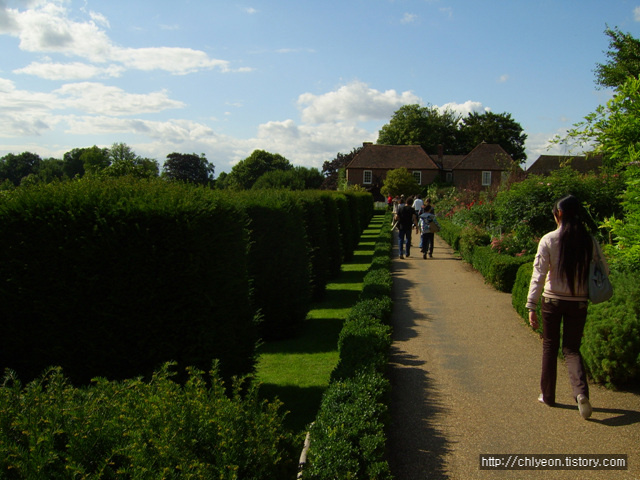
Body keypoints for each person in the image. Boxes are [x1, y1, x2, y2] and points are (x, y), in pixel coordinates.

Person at [526, 195, 607, 420]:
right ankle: (580, 393)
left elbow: (538, 275)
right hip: (579, 302)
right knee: (572, 349)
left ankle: (548, 395)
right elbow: (604, 271)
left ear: (559, 214)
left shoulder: (549, 239)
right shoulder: (589, 240)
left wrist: (531, 305)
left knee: (550, 347)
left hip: (552, 300)